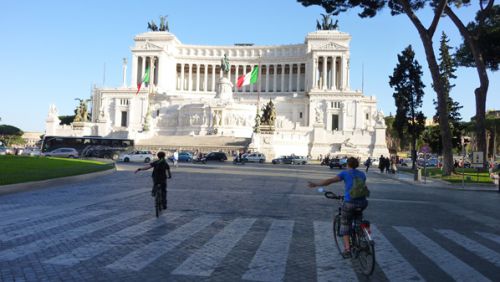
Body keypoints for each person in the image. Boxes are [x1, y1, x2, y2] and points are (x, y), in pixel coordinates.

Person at [307, 157, 368, 258]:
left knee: (345, 224)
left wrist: (316, 184)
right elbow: (364, 187)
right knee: (358, 219)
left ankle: (347, 249)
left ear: (347, 164)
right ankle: (362, 235)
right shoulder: (362, 174)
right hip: (363, 203)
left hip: (350, 203)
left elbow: (330, 181)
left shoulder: (345, 173)